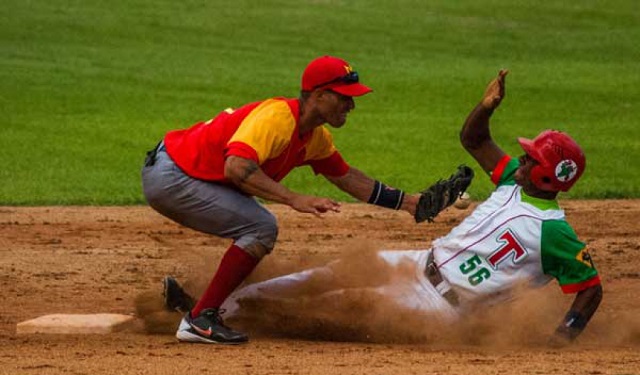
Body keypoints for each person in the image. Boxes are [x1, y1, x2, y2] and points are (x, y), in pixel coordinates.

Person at [162, 69, 603, 346]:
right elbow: (474, 140)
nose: (521, 160)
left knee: (345, 302)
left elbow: (591, 287)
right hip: (418, 263)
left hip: (442, 306)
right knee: (319, 277)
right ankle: (212, 308)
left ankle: (224, 315)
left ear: (549, 175)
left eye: (531, 159)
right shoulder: (512, 181)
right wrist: (486, 107)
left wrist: (564, 337)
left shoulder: (555, 232)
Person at [142, 56, 464, 345]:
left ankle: (194, 305)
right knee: (261, 226)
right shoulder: (278, 118)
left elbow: (347, 178)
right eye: (344, 97)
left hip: (181, 175)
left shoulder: (314, 136)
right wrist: (293, 198)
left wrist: (410, 203)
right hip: (173, 176)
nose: (350, 106)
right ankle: (200, 320)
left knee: (254, 228)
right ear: (319, 95)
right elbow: (237, 167)